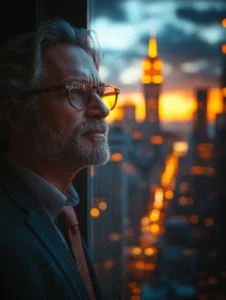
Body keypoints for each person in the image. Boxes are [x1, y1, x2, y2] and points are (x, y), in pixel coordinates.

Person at [0, 18, 119, 299]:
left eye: (100, 93)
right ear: (16, 113)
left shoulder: (60, 211)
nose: (102, 109)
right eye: (76, 91)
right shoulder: (6, 238)